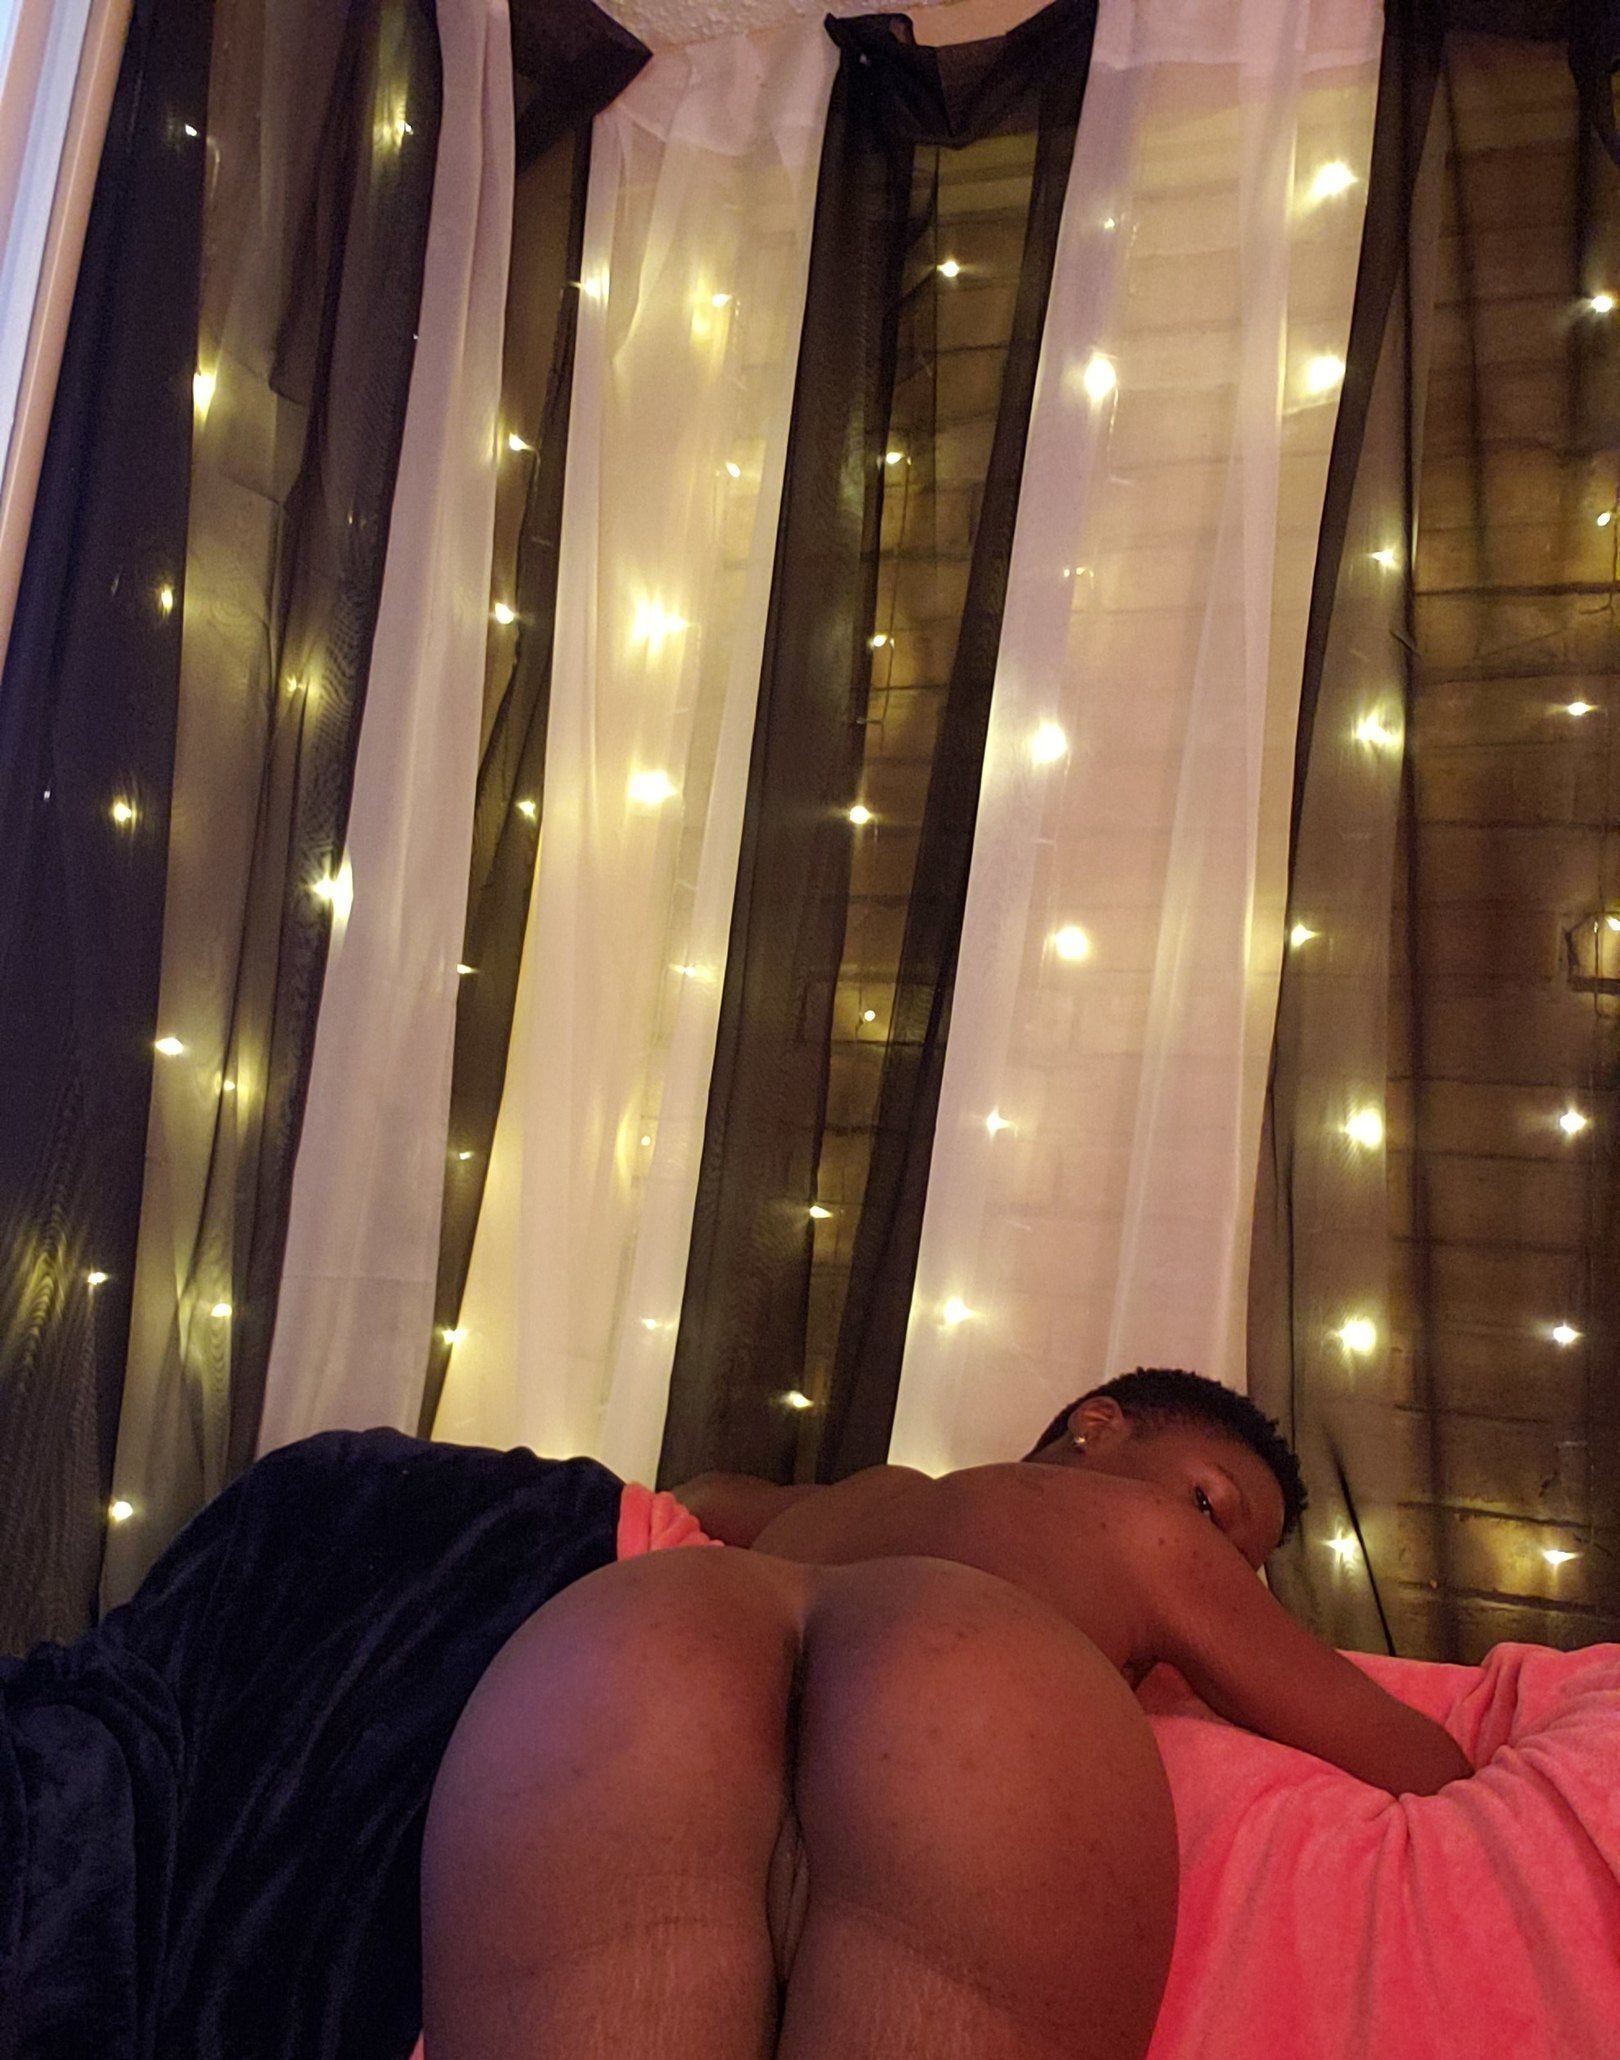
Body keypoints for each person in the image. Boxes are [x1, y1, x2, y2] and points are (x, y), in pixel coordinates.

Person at [419, 1369, 1473, 2060]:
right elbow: (1410, 1754)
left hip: (647, 1632)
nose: (1221, 1561)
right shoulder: (1143, 1530)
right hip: (968, 1680)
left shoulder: (873, 1489)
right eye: (1212, 1509)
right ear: (1096, 1424)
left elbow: (710, 1494)